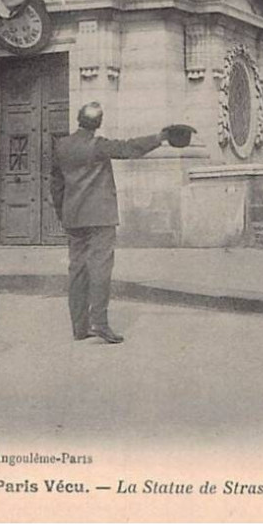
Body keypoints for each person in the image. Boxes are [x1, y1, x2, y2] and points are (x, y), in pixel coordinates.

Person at [52, 103, 171, 344]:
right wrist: (160, 137)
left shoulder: (61, 146)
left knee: (77, 270)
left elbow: (55, 183)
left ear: (78, 119)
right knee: (100, 269)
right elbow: (129, 148)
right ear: (98, 123)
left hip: (73, 217)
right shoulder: (98, 146)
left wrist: (62, 213)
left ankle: (79, 327)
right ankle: (100, 323)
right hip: (100, 217)